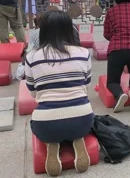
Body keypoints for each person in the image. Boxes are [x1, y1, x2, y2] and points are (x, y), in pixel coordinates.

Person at [25, 11, 93, 176]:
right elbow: (86, 86)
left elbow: (33, 93)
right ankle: (78, 139)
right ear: (69, 30)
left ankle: (52, 144)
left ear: (43, 30)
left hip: (45, 124)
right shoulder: (83, 53)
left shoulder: (32, 57)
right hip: (83, 120)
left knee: (42, 124)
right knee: (79, 117)